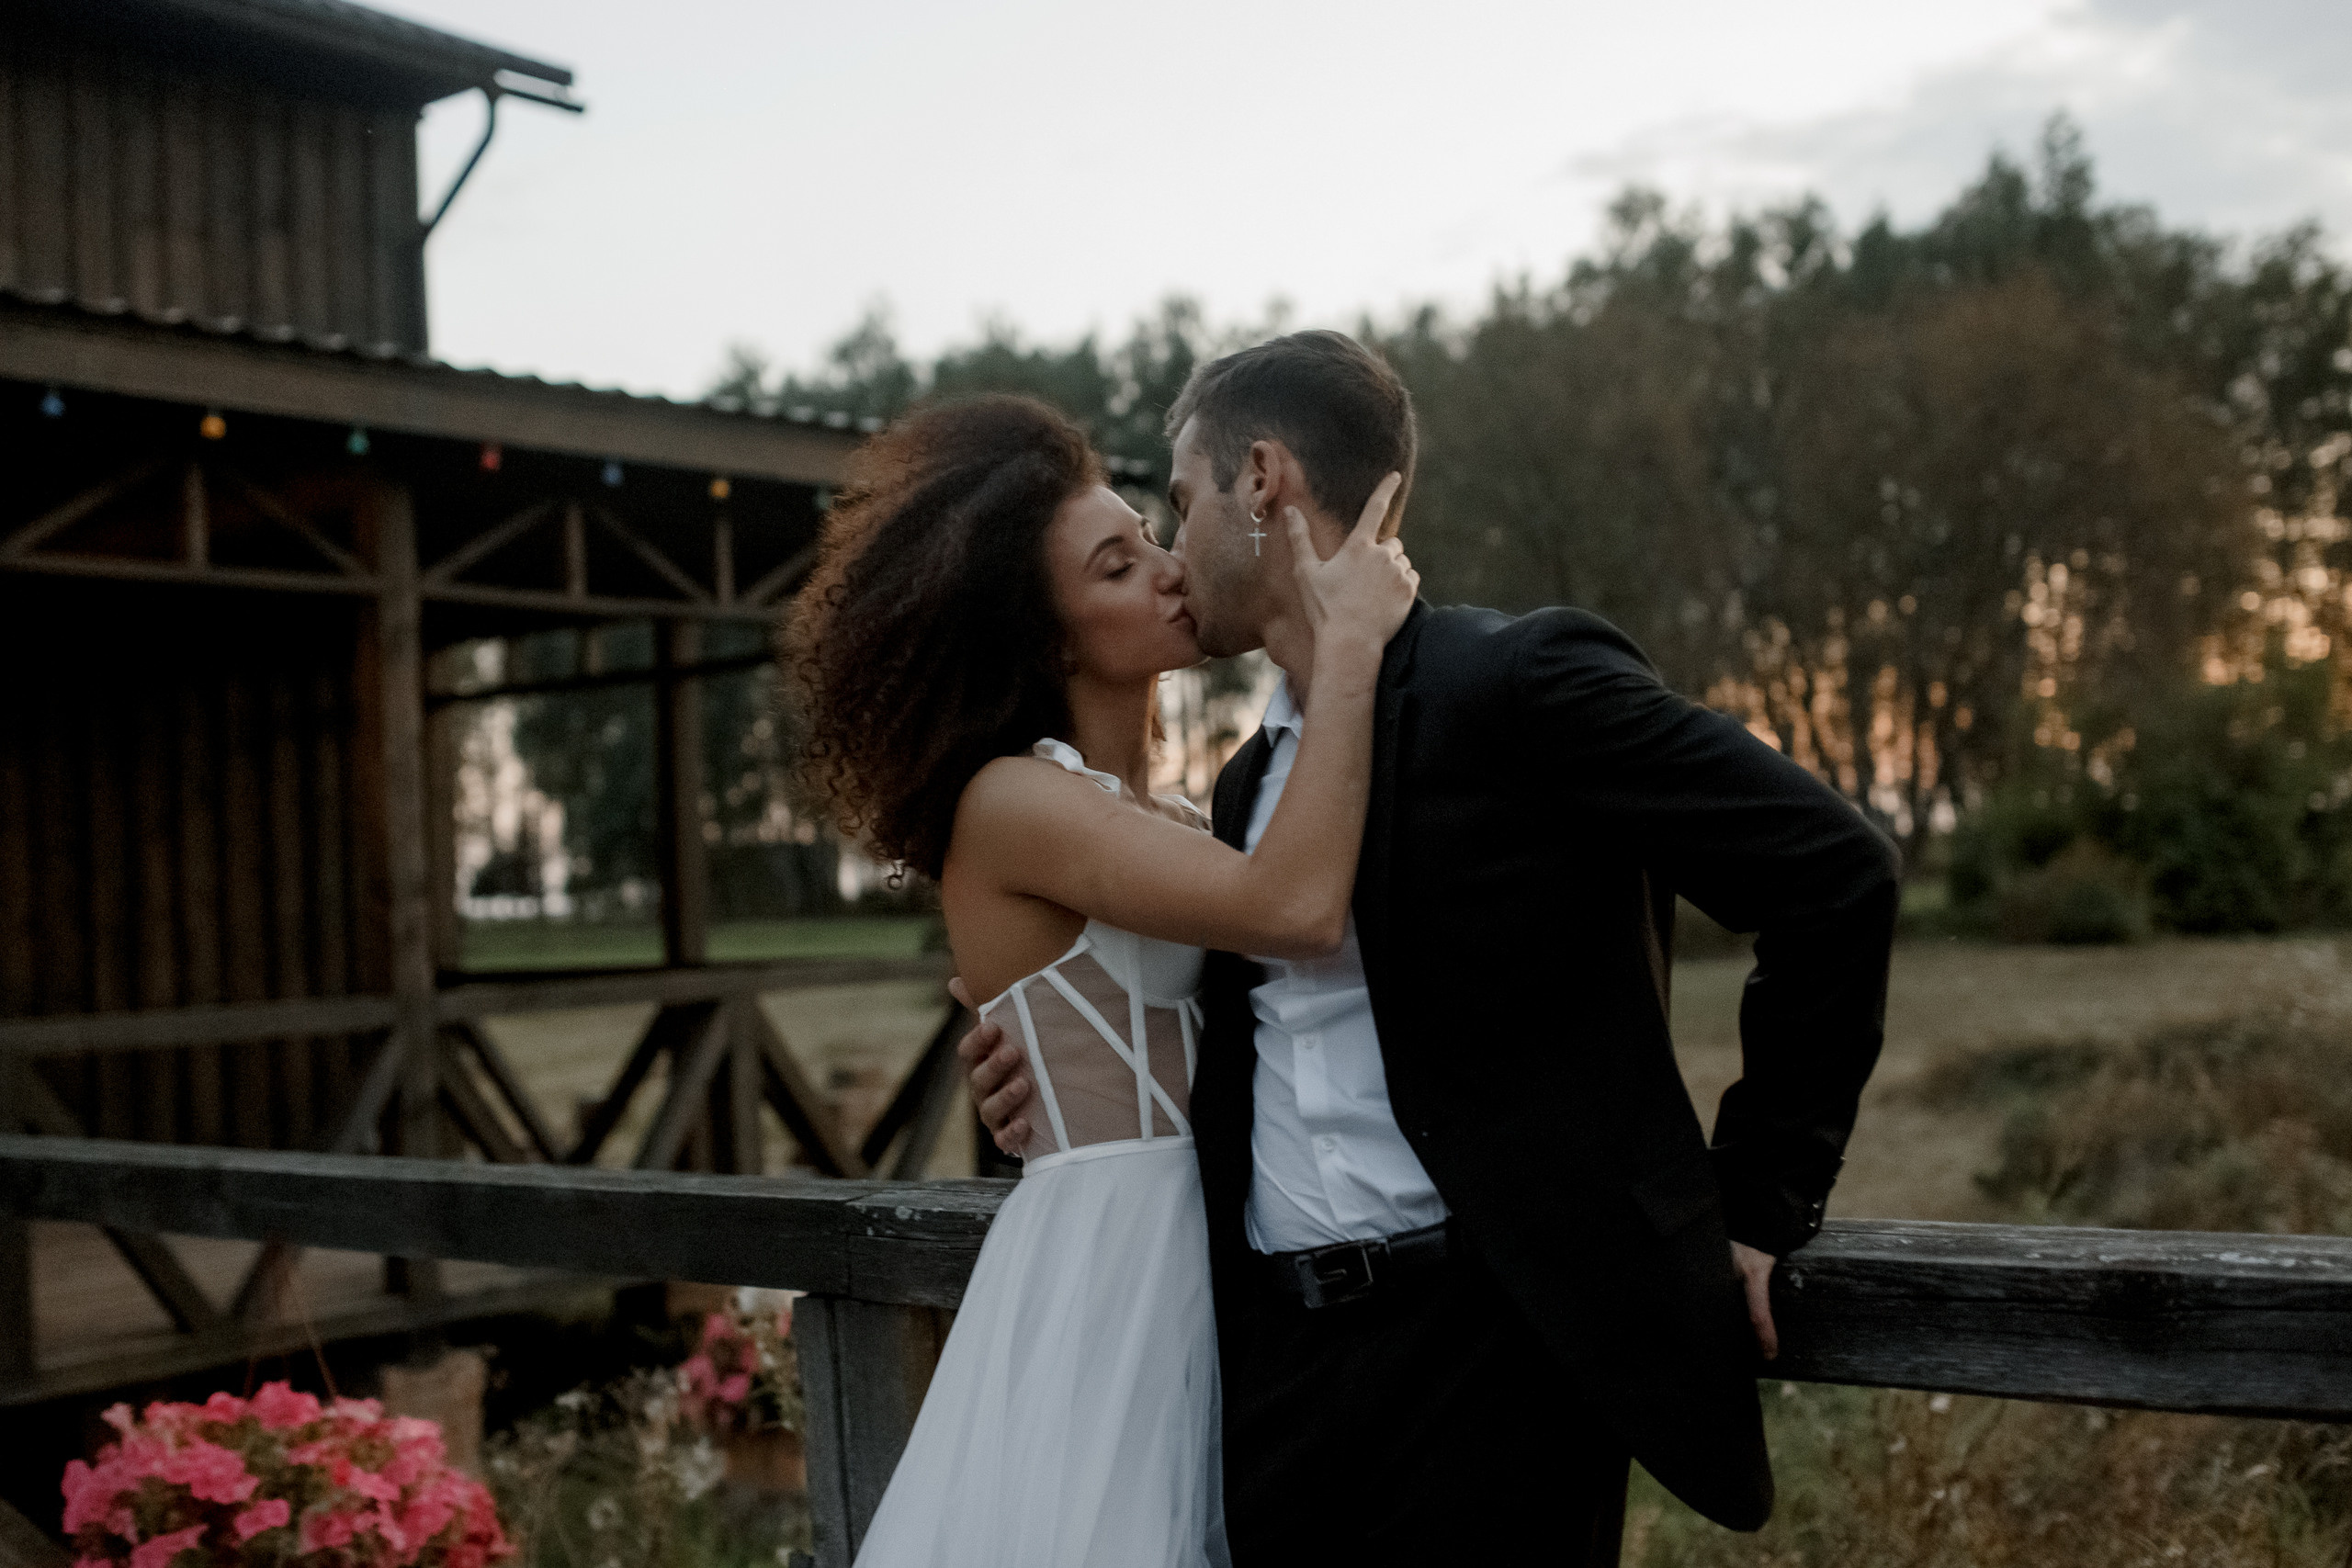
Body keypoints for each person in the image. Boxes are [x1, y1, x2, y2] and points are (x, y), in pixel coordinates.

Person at [956, 330, 1904, 1563]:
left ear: (1263, 479)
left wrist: (1765, 1196)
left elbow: (1835, 872)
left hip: (1494, 1358)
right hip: (1273, 1370)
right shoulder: (1243, 798)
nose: (1177, 554)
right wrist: (1025, 1056)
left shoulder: (1515, 685)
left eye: (1180, 504)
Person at [784, 391, 1418, 1568]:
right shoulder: (1015, 800)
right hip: (1120, 1263)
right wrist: (1350, 651)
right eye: (1119, 567)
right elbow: (1292, 909)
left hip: (1233, 1248)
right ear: (1049, 637)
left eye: (1150, 536)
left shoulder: (1180, 814)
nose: (1172, 570)